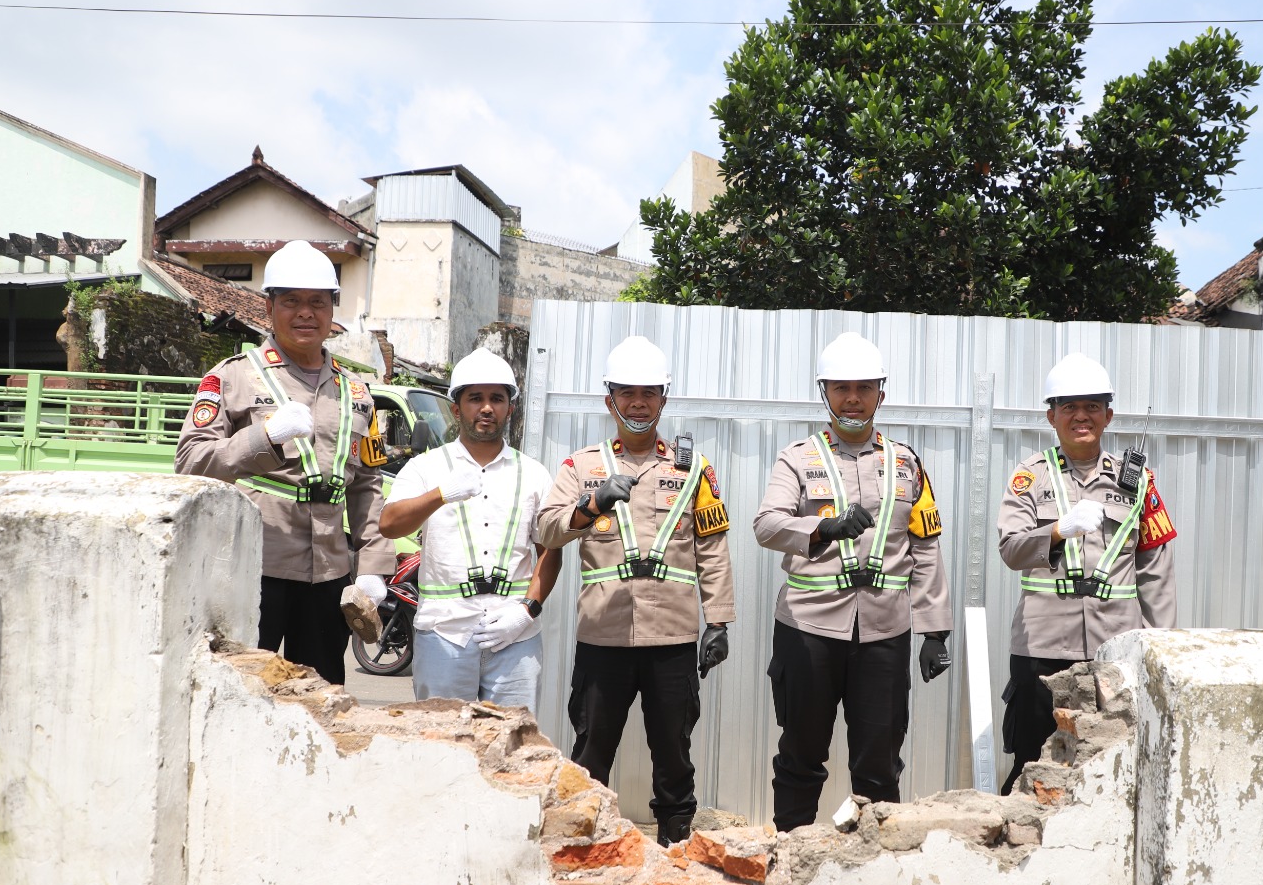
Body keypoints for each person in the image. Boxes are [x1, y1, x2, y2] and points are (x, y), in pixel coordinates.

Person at [536, 335, 735, 847]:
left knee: (674, 755)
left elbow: (712, 547)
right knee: (592, 751)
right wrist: (590, 505)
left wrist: (719, 621)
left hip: (672, 637)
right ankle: (582, 846)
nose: (639, 403)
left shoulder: (693, 471)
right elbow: (547, 531)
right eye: (627, 393)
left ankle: (676, 846)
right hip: (603, 637)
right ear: (610, 400)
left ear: (664, 399)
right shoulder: (581, 467)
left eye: (649, 393)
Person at [753, 332, 953, 832]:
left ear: (880, 394)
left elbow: (925, 546)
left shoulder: (907, 463)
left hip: (885, 633)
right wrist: (822, 527)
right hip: (808, 630)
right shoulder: (797, 458)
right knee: (801, 756)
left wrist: (935, 630)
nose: (853, 398)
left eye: (864, 387)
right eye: (841, 387)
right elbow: (767, 525)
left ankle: (874, 869)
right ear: (825, 392)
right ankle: (791, 858)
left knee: (880, 764)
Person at [176, 239, 394, 683]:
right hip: (254, 569)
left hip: (330, 575)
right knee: (242, 692)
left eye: (317, 302)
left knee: (322, 700)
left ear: (333, 310)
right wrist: (264, 437)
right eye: (291, 301)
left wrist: (373, 569)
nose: (305, 313)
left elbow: (367, 489)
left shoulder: (356, 392)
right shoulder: (232, 376)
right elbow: (191, 463)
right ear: (269, 306)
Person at [997, 353, 1177, 792]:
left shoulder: (1137, 483)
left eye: (1093, 406)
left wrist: (1158, 646)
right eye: (1069, 407)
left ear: (1108, 415)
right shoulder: (1029, 479)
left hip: (1115, 650)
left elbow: (1155, 567)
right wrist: (1057, 531)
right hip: (1041, 647)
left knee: (1113, 765)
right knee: (1031, 765)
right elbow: (1011, 550)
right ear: (1051, 416)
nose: (1082, 416)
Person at [377, 348, 563, 710]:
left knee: (513, 748)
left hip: (515, 634)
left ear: (511, 407)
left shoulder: (534, 473)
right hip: (444, 632)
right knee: (443, 745)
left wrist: (526, 611)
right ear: (457, 406)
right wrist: (441, 494)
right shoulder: (427, 467)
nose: (487, 408)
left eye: (497, 398)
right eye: (475, 398)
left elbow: (550, 551)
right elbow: (390, 523)